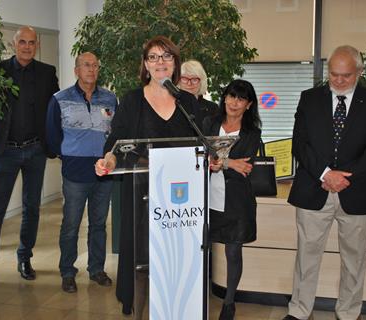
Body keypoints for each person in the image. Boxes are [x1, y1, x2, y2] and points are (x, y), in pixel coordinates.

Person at [95, 36, 203, 316]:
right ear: (145, 64)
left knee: (176, 257)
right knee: (143, 257)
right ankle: (141, 310)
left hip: (179, 192)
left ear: (175, 63)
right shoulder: (132, 100)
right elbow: (116, 141)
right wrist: (108, 159)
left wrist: (210, 158)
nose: (160, 62)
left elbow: (199, 145)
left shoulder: (188, 102)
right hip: (142, 187)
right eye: (153, 57)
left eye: (166, 56)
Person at [283, 45, 366, 320]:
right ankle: (299, 311)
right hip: (314, 188)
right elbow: (299, 143)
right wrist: (325, 174)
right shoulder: (310, 98)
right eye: (334, 75)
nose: (339, 81)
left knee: (354, 261)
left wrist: (343, 176)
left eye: (346, 76)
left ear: (360, 72)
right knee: (306, 256)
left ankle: (348, 313)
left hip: (356, 190)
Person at [0, 26, 59, 291]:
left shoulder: (47, 73)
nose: (27, 46)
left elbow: (54, 111)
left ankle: (25, 259)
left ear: (37, 46)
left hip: (35, 150)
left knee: (32, 207)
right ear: (13, 44)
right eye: (22, 42)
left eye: (32, 42)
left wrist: (54, 144)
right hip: (5, 151)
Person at [46, 52, 117, 293]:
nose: (92, 70)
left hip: (104, 172)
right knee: (71, 224)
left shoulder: (110, 98)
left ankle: (96, 269)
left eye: (95, 66)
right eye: (86, 65)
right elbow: (52, 134)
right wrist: (66, 154)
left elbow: (116, 133)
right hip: (74, 173)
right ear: (76, 70)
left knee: (98, 224)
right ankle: (67, 271)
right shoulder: (60, 99)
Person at [204, 79, 262, 320]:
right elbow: (200, 156)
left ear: (248, 105)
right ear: (224, 97)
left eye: (240, 99)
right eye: (231, 96)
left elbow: (245, 167)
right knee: (203, 249)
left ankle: (229, 303)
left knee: (233, 252)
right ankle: (198, 295)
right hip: (207, 197)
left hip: (236, 202)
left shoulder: (252, 133)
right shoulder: (209, 123)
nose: (234, 102)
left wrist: (220, 162)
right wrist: (229, 163)